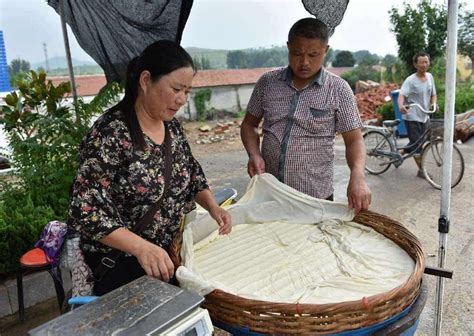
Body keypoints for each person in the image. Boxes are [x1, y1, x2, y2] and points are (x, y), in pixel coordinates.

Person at [68, 40, 232, 295]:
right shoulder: (111, 132)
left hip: (165, 258)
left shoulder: (172, 128)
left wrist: (212, 207)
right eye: (176, 88)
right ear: (145, 80)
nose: (181, 100)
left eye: (187, 92)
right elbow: (86, 209)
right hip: (120, 266)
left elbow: (191, 172)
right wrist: (141, 247)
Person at [240, 18, 371, 213]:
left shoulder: (338, 89)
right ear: (288, 47)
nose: (304, 62)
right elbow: (249, 125)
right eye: (297, 53)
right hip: (270, 192)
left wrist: (358, 175)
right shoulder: (268, 83)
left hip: (315, 198)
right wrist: (254, 154)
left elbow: (354, 140)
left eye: (313, 55)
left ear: (326, 51)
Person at [397, 52, 437, 178]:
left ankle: (402, 152)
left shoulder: (430, 77)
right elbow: (401, 95)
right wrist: (401, 106)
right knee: (418, 146)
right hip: (412, 116)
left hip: (425, 116)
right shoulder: (410, 80)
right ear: (415, 64)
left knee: (421, 140)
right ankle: (422, 171)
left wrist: (434, 104)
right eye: (422, 62)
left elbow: (433, 94)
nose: (425, 64)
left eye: (427, 62)